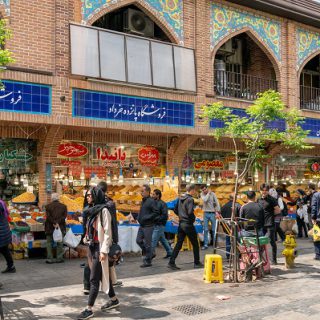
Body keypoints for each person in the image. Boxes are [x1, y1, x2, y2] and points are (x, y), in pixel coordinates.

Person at [77, 187, 119, 320]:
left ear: (96, 196)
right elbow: (90, 229)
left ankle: (89, 309)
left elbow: (107, 232)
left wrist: (104, 251)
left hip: (100, 248)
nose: (87, 197)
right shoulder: (91, 211)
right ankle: (114, 299)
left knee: (94, 278)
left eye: (89, 195)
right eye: (87, 195)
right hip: (92, 247)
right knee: (101, 277)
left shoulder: (104, 210)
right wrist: (86, 238)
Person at [83, 181, 122, 295]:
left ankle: (93, 293)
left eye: (90, 195)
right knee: (100, 268)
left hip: (100, 241)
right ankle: (110, 293)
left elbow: (109, 226)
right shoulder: (93, 206)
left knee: (100, 268)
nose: (88, 197)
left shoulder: (106, 207)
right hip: (93, 241)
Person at [168, 184, 203, 270]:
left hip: (181, 223)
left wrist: (181, 216)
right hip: (188, 224)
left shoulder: (180, 198)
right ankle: (197, 262)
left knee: (179, 243)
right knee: (195, 243)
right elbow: (190, 212)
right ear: (192, 190)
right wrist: (193, 218)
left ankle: (171, 262)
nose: (195, 192)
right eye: (194, 190)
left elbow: (175, 209)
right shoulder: (190, 199)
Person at [136, 184, 159, 268]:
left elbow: (156, 212)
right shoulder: (143, 200)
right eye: (141, 191)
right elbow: (143, 211)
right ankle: (151, 253)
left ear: (148, 192)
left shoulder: (151, 201)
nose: (141, 193)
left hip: (148, 225)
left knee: (147, 244)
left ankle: (148, 261)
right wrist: (138, 217)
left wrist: (146, 217)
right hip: (142, 225)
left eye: (143, 191)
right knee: (138, 240)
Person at [257, 183, 280, 265]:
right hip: (261, 224)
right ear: (260, 191)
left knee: (271, 241)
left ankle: (274, 259)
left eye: (266, 191)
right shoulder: (258, 199)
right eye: (262, 191)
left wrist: (271, 215)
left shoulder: (272, 199)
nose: (264, 192)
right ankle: (260, 259)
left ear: (268, 191)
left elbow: (278, 210)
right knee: (261, 241)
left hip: (270, 223)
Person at [45, 193, 68, 264]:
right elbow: (64, 217)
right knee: (59, 242)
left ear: (52, 199)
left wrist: (54, 223)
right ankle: (59, 258)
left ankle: (50, 258)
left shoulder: (48, 206)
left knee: (49, 242)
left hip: (50, 227)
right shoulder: (64, 206)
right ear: (58, 199)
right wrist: (57, 223)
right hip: (60, 227)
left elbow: (48, 217)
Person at [151, 189, 173, 259]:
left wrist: (156, 219)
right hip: (155, 224)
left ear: (158, 195)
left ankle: (149, 256)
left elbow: (164, 215)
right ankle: (170, 252)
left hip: (159, 224)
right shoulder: (153, 203)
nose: (152, 195)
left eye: (154, 194)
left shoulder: (163, 204)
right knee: (163, 239)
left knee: (153, 240)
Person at [220, 194, 241, 260]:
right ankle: (238, 254)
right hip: (235, 226)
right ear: (235, 198)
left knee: (228, 241)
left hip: (227, 226)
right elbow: (241, 216)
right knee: (237, 240)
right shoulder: (238, 205)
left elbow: (221, 219)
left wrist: (223, 226)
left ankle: (228, 255)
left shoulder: (224, 206)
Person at [200, 185, 220, 250]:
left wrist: (218, 211)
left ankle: (215, 244)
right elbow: (205, 200)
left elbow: (217, 203)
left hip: (212, 213)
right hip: (205, 213)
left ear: (207, 188)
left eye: (205, 189)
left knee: (214, 230)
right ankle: (205, 244)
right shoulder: (202, 194)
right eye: (203, 190)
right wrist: (208, 193)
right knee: (205, 229)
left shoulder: (213, 194)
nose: (204, 191)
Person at [0, 199, 16, 273]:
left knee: (4, 250)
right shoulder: (2, 203)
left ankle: (11, 266)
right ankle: (11, 266)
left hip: (1, 232)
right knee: (5, 250)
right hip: (4, 230)